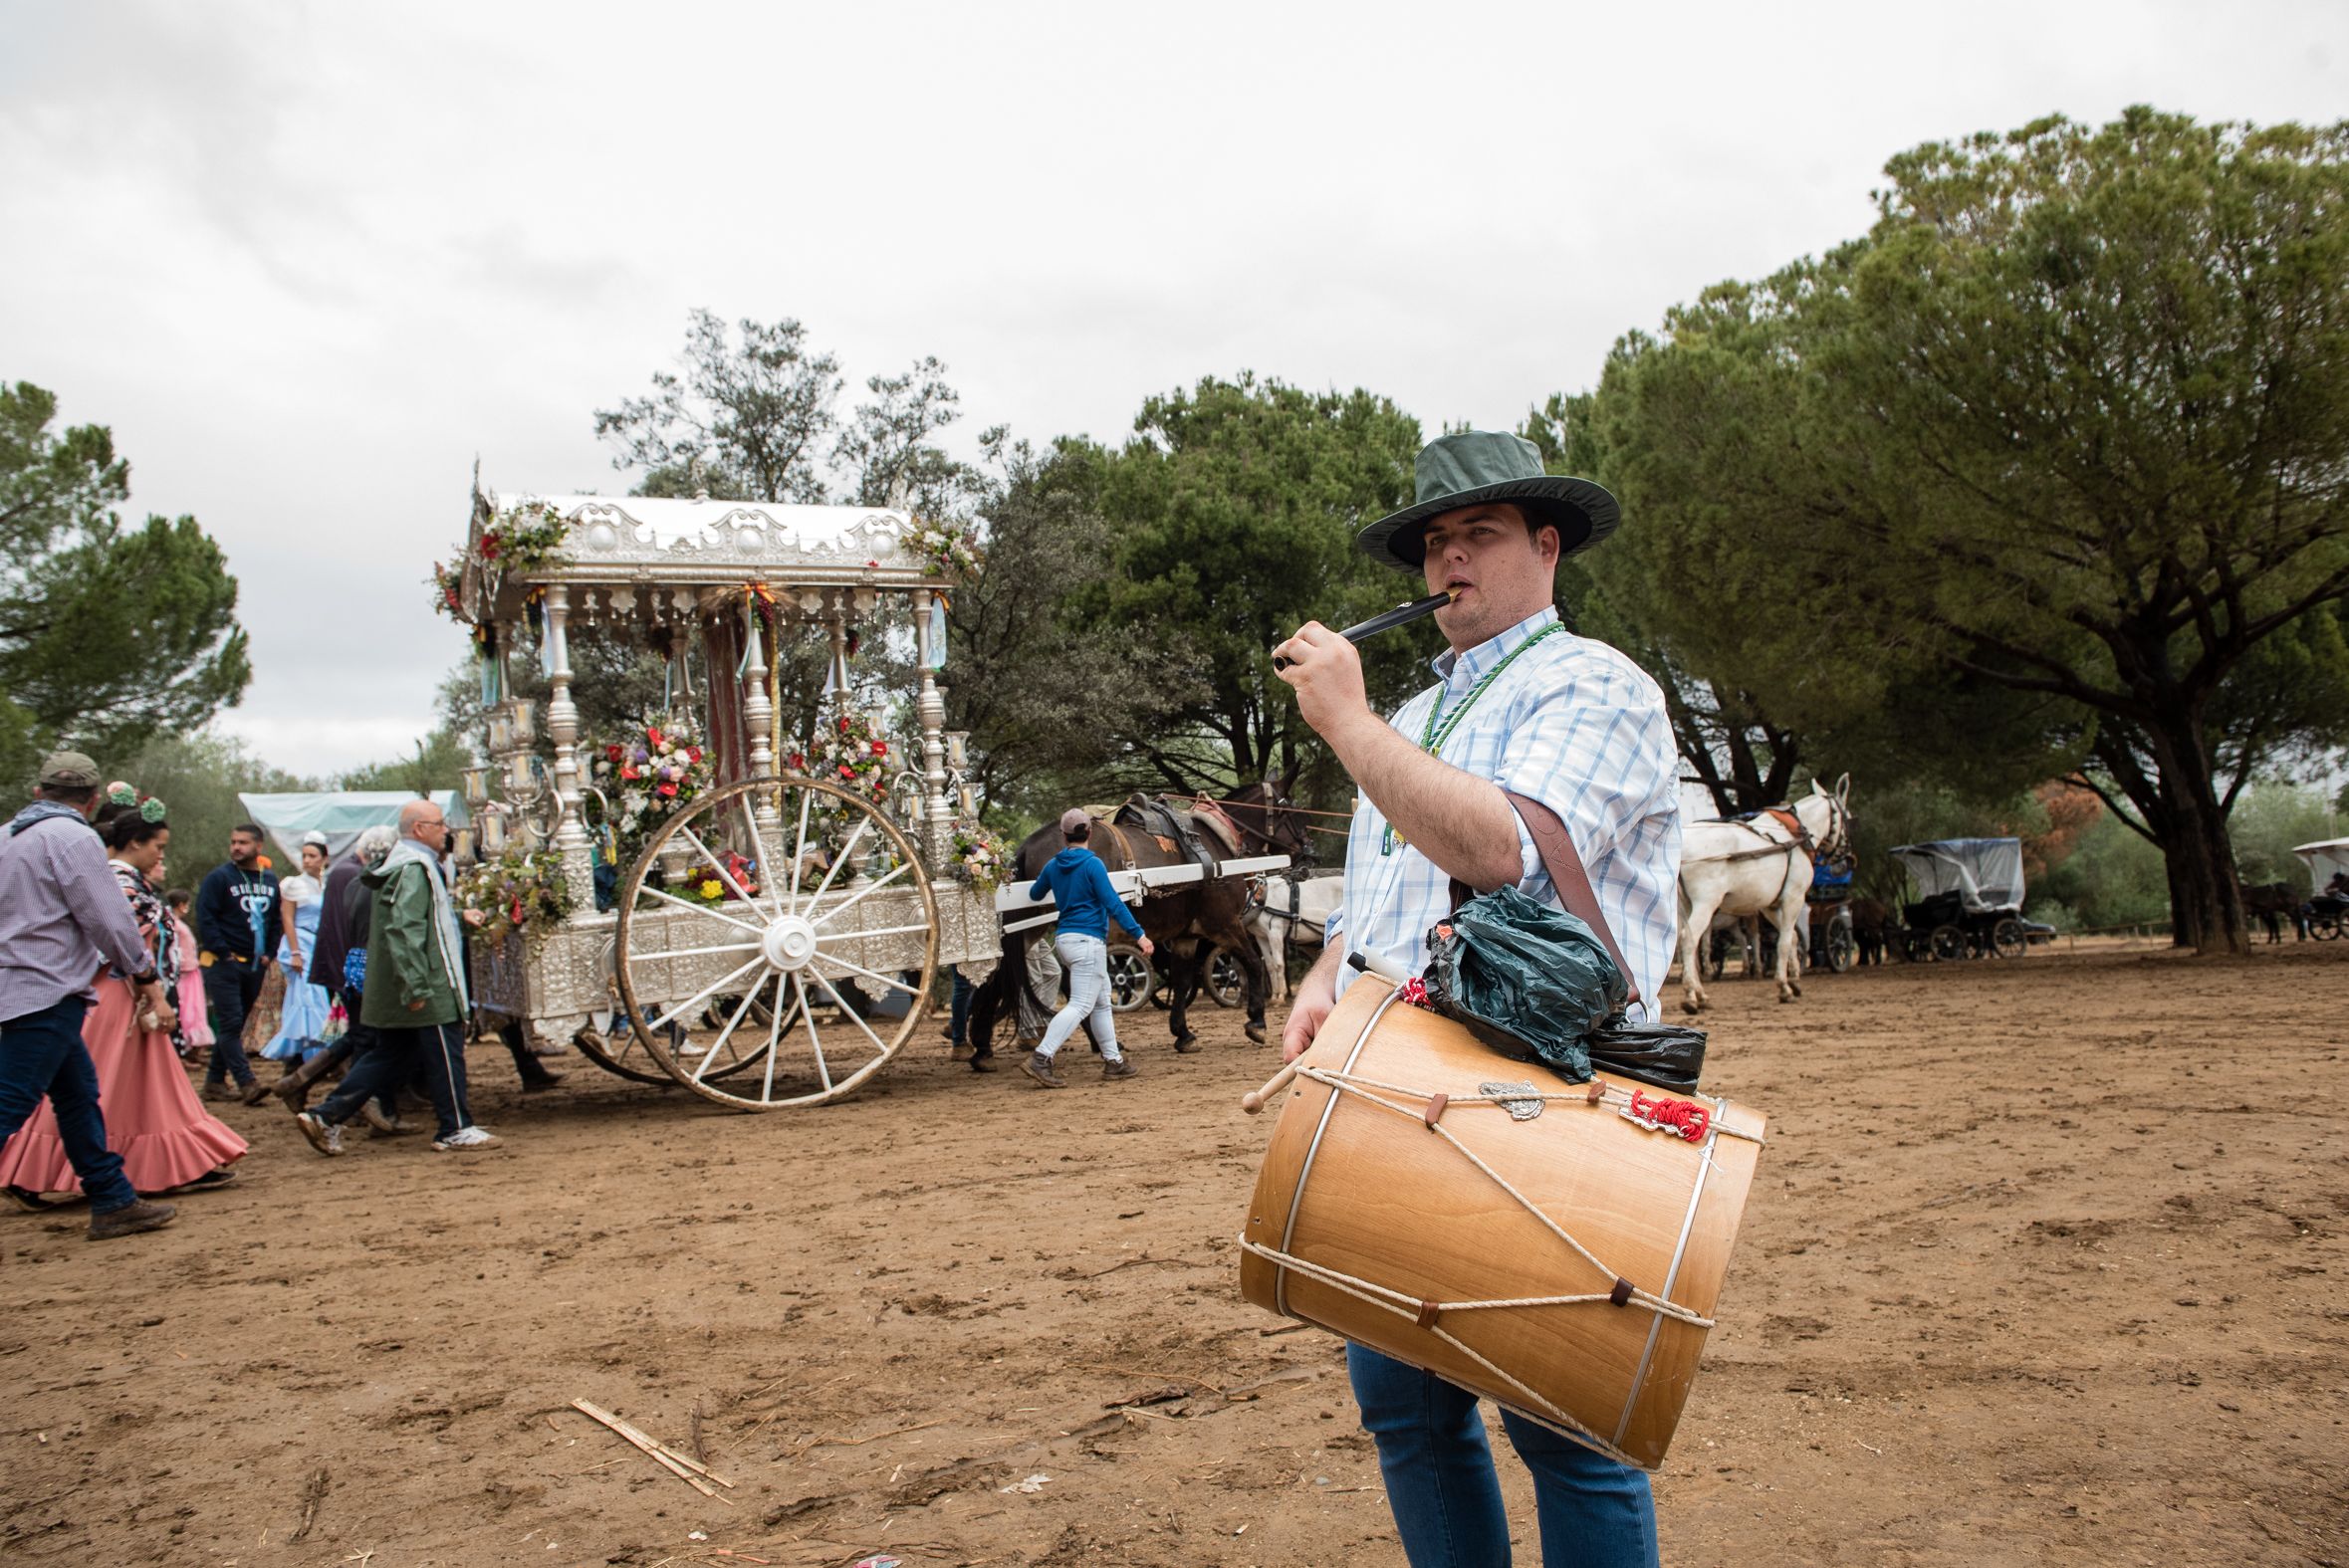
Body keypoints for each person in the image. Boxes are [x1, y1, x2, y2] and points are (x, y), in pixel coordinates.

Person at [1273, 431, 1682, 1568]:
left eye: (1480, 535)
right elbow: (1386, 893)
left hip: (1542, 1091)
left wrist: (1345, 725)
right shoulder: (1411, 721)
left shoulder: (1596, 682)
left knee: (1567, 1430)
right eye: (1433, 542)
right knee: (1406, 1415)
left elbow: (1504, 850)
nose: (1448, 560)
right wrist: (1323, 984)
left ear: (1545, 549)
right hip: (1394, 1083)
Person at [1, 797, 246, 1202]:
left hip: (123, 994)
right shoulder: (117, 880)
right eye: (158, 847)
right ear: (135, 842)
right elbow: (108, 939)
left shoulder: (122, 879)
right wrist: (147, 986)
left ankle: (147, 1174)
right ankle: (53, 1173)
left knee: (114, 1089)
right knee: (88, 1087)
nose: (160, 854)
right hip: (117, 995)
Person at [0, 753, 180, 1239]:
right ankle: (111, 1197)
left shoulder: (6, 836)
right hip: (46, 989)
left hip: (15, 986)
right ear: (93, 799)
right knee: (10, 1102)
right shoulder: (75, 837)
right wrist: (144, 974)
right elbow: (107, 917)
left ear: (39, 792)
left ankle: (112, 1197)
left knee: (78, 1096)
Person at [295, 801, 501, 1154]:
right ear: (419, 828)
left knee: (388, 1056)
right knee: (446, 1055)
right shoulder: (414, 867)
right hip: (427, 981)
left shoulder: (402, 864)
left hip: (399, 983)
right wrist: (417, 985)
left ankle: (325, 1116)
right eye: (439, 824)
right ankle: (455, 1127)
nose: (445, 831)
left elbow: (417, 914)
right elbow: (404, 928)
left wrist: (455, 914)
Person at [1018, 808, 1153, 1089]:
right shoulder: (1093, 865)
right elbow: (1113, 903)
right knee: (1080, 1004)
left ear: (1063, 835)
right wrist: (1140, 935)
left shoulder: (1053, 865)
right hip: (1088, 941)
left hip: (1065, 940)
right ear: (1089, 833)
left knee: (1101, 1000)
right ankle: (1041, 1058)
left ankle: (1113, 1061)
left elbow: (1034, 894)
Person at [193, 821, 280, 1101]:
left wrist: (270, 953)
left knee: (237, 1024)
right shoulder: (219, 878)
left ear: (258, 846)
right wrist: (223, 953)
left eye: (242, 842)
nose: (236, 847)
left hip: (256, 964)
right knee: (230, 1023)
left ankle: (214, 1083)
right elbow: (205, 917)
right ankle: (247, 1083)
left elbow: (276, 919)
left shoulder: (269, 881)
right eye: (233, 842)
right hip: (223, 963)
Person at [259, 871, 336, 1076]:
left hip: (318, 944)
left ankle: (304, 1058)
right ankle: (307, 1056)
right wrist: (295, 951)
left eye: (313, 856)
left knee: (312, 1001)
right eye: (305, 855)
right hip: (300, 944)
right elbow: (287, 918)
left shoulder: (326, 884)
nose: (308, 860)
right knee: (307, 999)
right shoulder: (293, 884)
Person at [162, 889, 214, 1059]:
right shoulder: (173, 924)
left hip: (191, 970)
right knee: (187, 1009)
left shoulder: (176, 923)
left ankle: (193, 1048)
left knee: (195, 1009)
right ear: (182, 905)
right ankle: (185, 1048)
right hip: (184, 971)